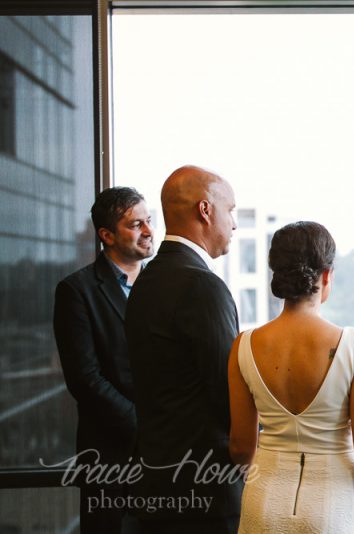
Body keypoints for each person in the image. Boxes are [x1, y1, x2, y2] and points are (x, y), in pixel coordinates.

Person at [228, 221, 354, 534]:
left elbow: (240, 447)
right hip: (333, 505)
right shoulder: (353, 345)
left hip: (262, 502)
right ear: (327, 275)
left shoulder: (244, 345)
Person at [124, 165, 243, 533]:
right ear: (205, 210)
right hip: (206, 492)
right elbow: (229, 393)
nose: (234, 224)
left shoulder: (146, 281)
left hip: (157, 484)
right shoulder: (201, 286)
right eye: (231, 210)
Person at [53, 187, 154, 534]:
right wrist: (147, 426)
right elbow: (85, 379)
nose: (149, 231)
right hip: (110, 459)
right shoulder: (76, 291)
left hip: (170, 460)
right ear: (106, 235)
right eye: (136, 224)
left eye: (149, 221)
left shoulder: (163, 285)